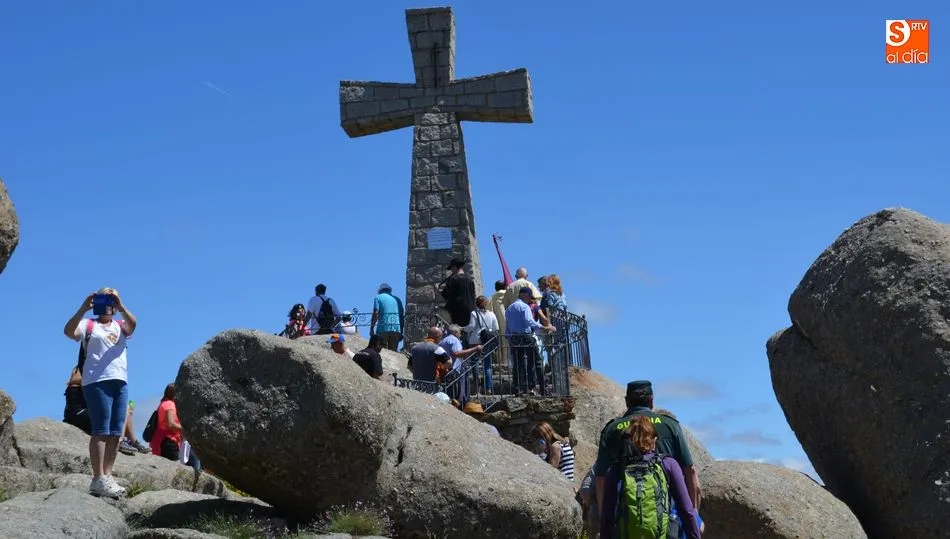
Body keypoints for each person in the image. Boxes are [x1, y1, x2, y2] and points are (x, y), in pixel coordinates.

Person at [63, 287, 137, 498]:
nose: (108, 303)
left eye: (111, 298)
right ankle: (97, 478)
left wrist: (121, 305)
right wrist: (83, 308)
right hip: (96, 381)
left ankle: (107, 475)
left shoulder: (120, 325)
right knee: (101, 430)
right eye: (105, 297)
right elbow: (69, 332)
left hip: (120, 381)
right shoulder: (88, 325)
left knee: (116, 432)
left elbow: (134, 325)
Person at [593, 381, 702, 518]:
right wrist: (694, 515)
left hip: (625, 518)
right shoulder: (670, 425)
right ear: (651, 401)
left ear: (627, 402)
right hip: (667, 516)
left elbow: (600, 477)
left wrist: (606, 519)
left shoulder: (611, 430)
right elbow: (690, 470)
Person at [599, 416, 701, 539]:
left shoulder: (616, 470)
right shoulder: (668, 464)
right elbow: (686, 510)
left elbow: (607, 517)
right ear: (654, 439)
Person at [505, 286, 553, 395]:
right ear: (525, 295)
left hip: (514, 338)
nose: (530, 299)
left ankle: (517, 389)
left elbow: (507, 326)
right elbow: (529, 321)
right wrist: (543, 327)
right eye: (529, 296)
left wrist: (508, 337)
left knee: (518, 364)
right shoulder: (524, 307)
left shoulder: (509, 308)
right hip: (526, 336)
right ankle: (539, 388)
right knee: (536, 361)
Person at [463, 295, 500, 392]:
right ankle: (488, 388)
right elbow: (496, 328)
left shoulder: (474, 313)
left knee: (474, 363)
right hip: (487, 341)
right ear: (486, 303)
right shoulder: (492, 314)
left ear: (476, 304)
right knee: (487, 364)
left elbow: (471, 326)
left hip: (475, 340)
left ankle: (477, 384)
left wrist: (463, 328)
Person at [438, 258, 476, 326]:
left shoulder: (453, 279)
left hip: (456, 313)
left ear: (455, 267)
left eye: (452, 268)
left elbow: (446, 295)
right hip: (470, 313)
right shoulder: (470, 281)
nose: (452, 271)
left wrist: (439, 291)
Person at [150, 383, 182, 461]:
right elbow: (170, 424)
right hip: (168, 441)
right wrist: (185, 429)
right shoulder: (170, 404)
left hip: (160, 439)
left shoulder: (163, 403)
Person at [371, 283, 404, 351]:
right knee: (393, 352)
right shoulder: (397, 299)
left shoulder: (378, 297)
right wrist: (401, 332)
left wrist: (371, 327)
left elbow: (376, 313)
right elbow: (401, 317)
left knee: (381, 351)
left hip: (383, 328)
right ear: (390, 290)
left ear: (380, 290)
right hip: (396, 328)